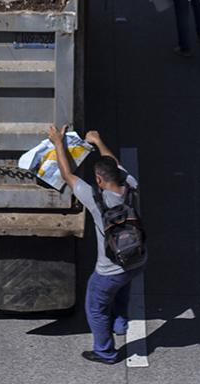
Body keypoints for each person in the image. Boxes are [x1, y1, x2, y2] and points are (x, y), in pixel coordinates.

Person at [46, 124, 145, 364]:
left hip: (109, 270)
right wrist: (98, 142)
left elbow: (67, 175)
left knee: (96, 309)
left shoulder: (94, 198)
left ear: (98, 179)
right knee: (124, 283)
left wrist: (58, 142)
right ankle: (120, 323)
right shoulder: (131, 185)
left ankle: (105, 352)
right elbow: (113, 162)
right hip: (138, 258)